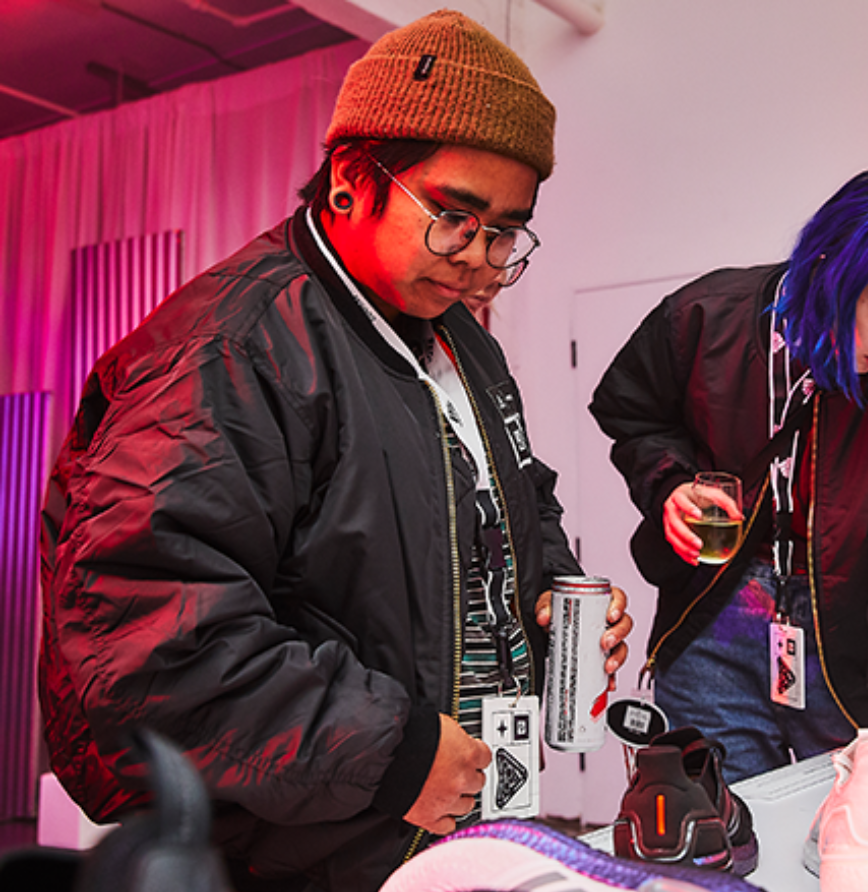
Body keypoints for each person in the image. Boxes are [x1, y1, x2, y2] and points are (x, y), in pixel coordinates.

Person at [38, 11, 630, 892]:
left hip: (453, 824)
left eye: (505, 233)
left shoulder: (459, 340)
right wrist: (395, 753)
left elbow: (510, 499)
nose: (478, 260)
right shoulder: (231, 346)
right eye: (455, 217)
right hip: (305, 850)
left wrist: (547, 594)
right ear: (354, 178)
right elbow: (150, 639)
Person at [589, 169, 868, 794]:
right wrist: (670, 484)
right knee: (719, 836)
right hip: (713, 617)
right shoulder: (703, 317)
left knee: (854, 840)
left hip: (849, 636)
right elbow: (632, 412)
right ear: (833, 270)